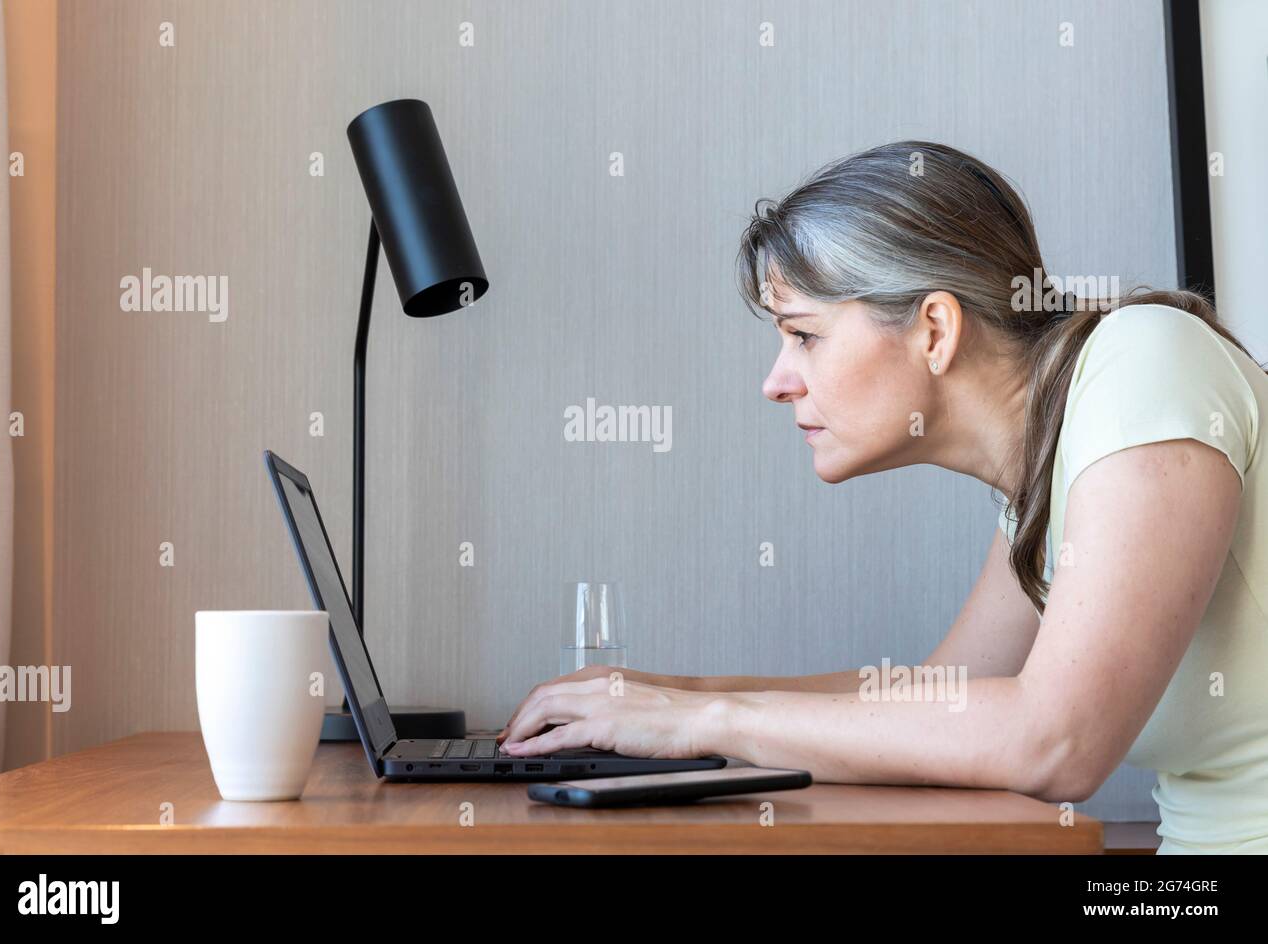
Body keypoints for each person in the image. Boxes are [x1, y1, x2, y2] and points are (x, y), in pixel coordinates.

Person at [498, 141, 1268, 854]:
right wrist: (663, 697)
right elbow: (945, 695)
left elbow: (1053, 741)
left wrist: (704, 720)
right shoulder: (1052, 464)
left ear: (935, 329)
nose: (777, 382)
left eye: (804, 335)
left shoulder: (1145, 365)